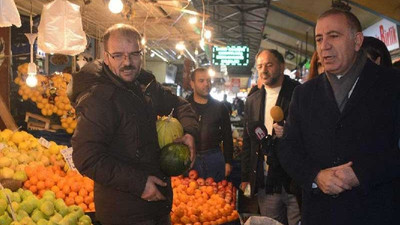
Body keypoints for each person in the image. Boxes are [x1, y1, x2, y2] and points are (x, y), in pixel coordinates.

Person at [278, 8, 400, 225]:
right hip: (320, 215)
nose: (324, 45)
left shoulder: (392, 85)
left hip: (377, 212)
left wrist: (361, 174)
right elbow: (288, 148)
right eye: (319, 38)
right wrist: (315, 176)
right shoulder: (304, 94)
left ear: (357, 40)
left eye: (334, 36)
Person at [67, 24, 198, 225]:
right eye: (118, 55)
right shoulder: (98, 98)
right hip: (123, 214)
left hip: (157, 208)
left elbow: (180, 105)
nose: (127, 62)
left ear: (141, 53)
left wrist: (189, 132)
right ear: (106, 55)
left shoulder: (145, 86)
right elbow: (86, 158)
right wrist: (139, 184)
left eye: (134, 54)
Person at [241, 49, 301, 225]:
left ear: (282, 66)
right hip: (266, 181)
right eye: (260, 66)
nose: (264, 70)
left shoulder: (299, 94)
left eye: (269, 65)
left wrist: (289, 132)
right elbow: (248, 141)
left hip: (294, 179)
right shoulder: (253, 100)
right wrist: (246, 177)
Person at [187, 67, 233, 182]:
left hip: (214, 158)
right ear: (192, 84)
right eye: (201, 81)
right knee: (190, 195)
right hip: (190, 158)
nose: (206, 84)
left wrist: (228, 161)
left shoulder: (220, 107)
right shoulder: (184, 107)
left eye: (208, 81)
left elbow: (227, 136)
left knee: (215, 195)